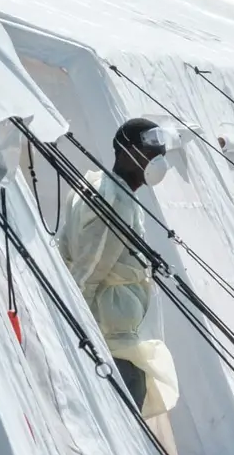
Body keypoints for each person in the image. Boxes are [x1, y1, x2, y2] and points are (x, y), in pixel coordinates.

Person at [58, 118, 178, 415]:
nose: (156, 161)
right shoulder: (116, 202)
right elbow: (88, 270)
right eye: (150, 154)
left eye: (160, 155)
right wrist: (76, 328)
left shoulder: (99, 185)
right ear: (124, 152)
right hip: (110, 342)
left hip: (111, 335)